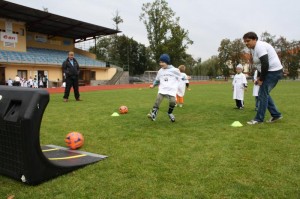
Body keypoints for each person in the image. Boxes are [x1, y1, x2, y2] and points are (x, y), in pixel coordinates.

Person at [243, 32, 283, 125]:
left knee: (262, 94)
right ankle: (276, 114)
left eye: (248, 41)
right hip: (270, 72)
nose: (246, 43)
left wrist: (261, 79)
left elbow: (265, 63)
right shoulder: (253, 49)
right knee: (264, 93)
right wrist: (258, 77)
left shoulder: (260, 47)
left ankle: (258, 119)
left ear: (255, 39)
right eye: (245, 42)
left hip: (274, 72)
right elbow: (260, 65)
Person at [147, 54, 182, 122]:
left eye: (163, 62)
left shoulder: (175, 70)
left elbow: (181, 77)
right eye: (160, 62)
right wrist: (153, 85)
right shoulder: (160, 71)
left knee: (173, 102)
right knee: (158, 100)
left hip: (171, 90)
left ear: (167, 62)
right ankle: (153, 115)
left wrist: (186, 78)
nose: (161, 64)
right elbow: (157, 80)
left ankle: (170, 113)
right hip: (162, 89)